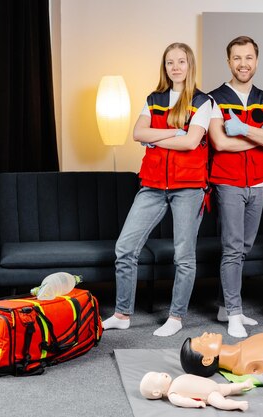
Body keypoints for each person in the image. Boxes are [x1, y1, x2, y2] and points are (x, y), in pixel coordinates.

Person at [102, 43, 212, 337]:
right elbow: (138, 133)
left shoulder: (203, 102)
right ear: (164, 67)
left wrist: (157, 138)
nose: (175, 67)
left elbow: (192, 143)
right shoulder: (154, 99)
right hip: (152, 184)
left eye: (181, 62)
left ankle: (176, 318)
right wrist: (174, 132)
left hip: (188, 187)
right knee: (125, 248)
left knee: (184, 256)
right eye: (169, 62)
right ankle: (123, 314)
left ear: (190, 65)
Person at [207, 35, 263, 338]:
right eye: (237, 58)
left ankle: (227, 306)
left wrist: (243, 130)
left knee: (245, 247)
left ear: (256, 60)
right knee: (232, 248)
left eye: (248, 57)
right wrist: (258, 134)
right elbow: (220, 143)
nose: (243, 64)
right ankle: (235, 313)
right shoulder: (213, 98)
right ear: (229, 61)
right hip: (227, 183)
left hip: (257, 183)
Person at [139, 371, 253, 411]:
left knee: (229, 387)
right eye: (157, 377)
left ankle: (243, 384)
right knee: (221, 403)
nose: (161, 374)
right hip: (209, 395)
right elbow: (183, 401)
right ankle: (237, 405)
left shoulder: (177, 380)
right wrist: (196, 403)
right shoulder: (172, 394)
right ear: (156, 392)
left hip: (214, 386)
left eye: (158, 372)